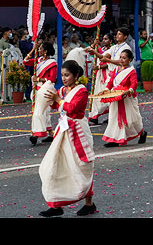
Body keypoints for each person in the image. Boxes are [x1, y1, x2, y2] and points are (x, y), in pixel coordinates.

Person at [38, 60, 96, 217]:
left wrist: (57, 99)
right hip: (63, 131)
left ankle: (89, 203)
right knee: (55, 166)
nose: (64, 78)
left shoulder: (82, 91)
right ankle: (56, 204)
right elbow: (58, 107)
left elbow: (72, 108)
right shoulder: (63, 90)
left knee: (82, 167)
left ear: (76, 75)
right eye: (62, 75)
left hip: (78, 132)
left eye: (67, 75)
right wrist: (46, 97)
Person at [101, 49, 147, 147]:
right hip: (116, 98)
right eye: (120, 57)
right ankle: (115, 139)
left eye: (124, 58)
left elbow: (133, 84)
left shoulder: (131, 71)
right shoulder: (117, 70)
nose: (121, 60)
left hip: (127, 99)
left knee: (131, 120)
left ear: (129, 60)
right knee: (114, 118)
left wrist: (128, 91)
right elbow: (110, 82)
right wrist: (106, 90)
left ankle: (142, 133)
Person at [23, 41, 58, 145]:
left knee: (39, 111)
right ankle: (51, 133)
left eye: (40, 49)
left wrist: (37, 78)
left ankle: (36, 134)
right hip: (37, 89)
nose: (39, 50)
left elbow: (52, 79)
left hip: (45, 89)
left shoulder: (52, 63)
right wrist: (33, 49)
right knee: (45, 112)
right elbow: (25, 61)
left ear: (46, 51)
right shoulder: (38, 60)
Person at [88, 33, 113, 125]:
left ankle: (111, 115)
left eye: (106, 39)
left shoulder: (112, 50)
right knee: (97, 94)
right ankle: (94, 117)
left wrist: (99, 67)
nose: (103, 41)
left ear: (110, 41)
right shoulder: (100, 49)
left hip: (107, 74)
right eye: (103, 39)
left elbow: (110, 63)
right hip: (99, 76)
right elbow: (91, 52)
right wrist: (94, 44)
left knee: (107, 95)